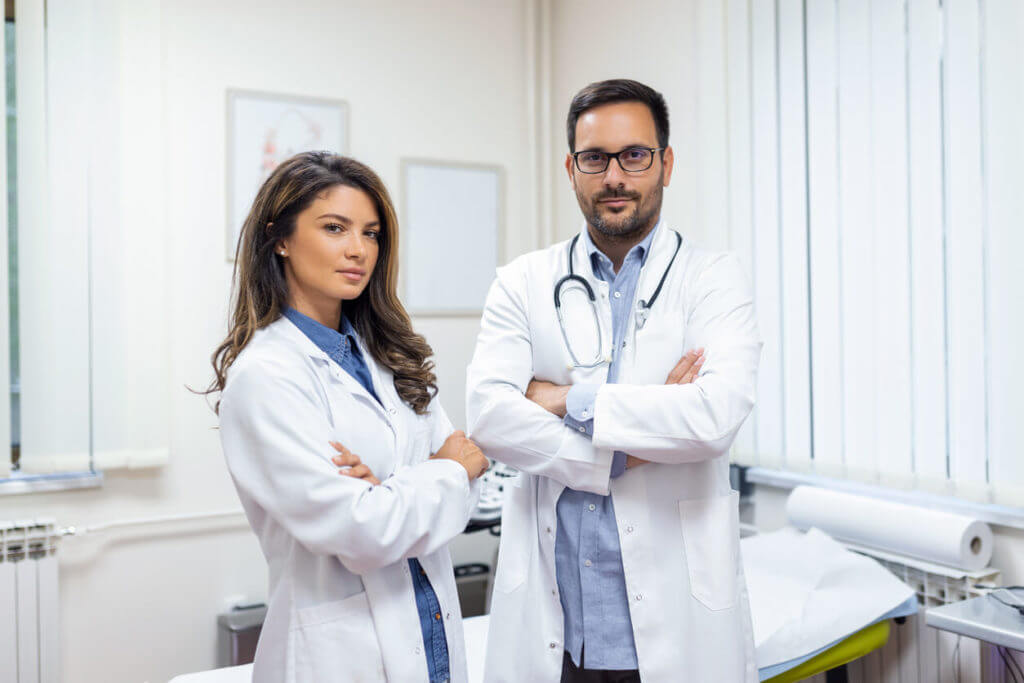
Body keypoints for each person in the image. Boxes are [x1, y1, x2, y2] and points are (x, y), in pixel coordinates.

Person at [467, 79, 762, 682]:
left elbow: (713, 418)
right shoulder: (522, 281)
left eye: (635, 155)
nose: (614, 177)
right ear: (571, 169)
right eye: (595, 159)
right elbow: (489, 418)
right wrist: (620, 453)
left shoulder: (714, 278)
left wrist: (561, 398)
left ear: (666, 163)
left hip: (677, 624)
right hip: (558, 631)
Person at [210, 151, 488, 682]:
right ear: (280, 239)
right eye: (335, 228)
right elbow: (364, 530)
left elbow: (469, 475)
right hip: (339, 658)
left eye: (371, 233)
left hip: (431, 640)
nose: (359, 249)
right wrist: (440, 474)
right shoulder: (266, 376)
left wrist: (393, 489)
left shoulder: (392, 358)